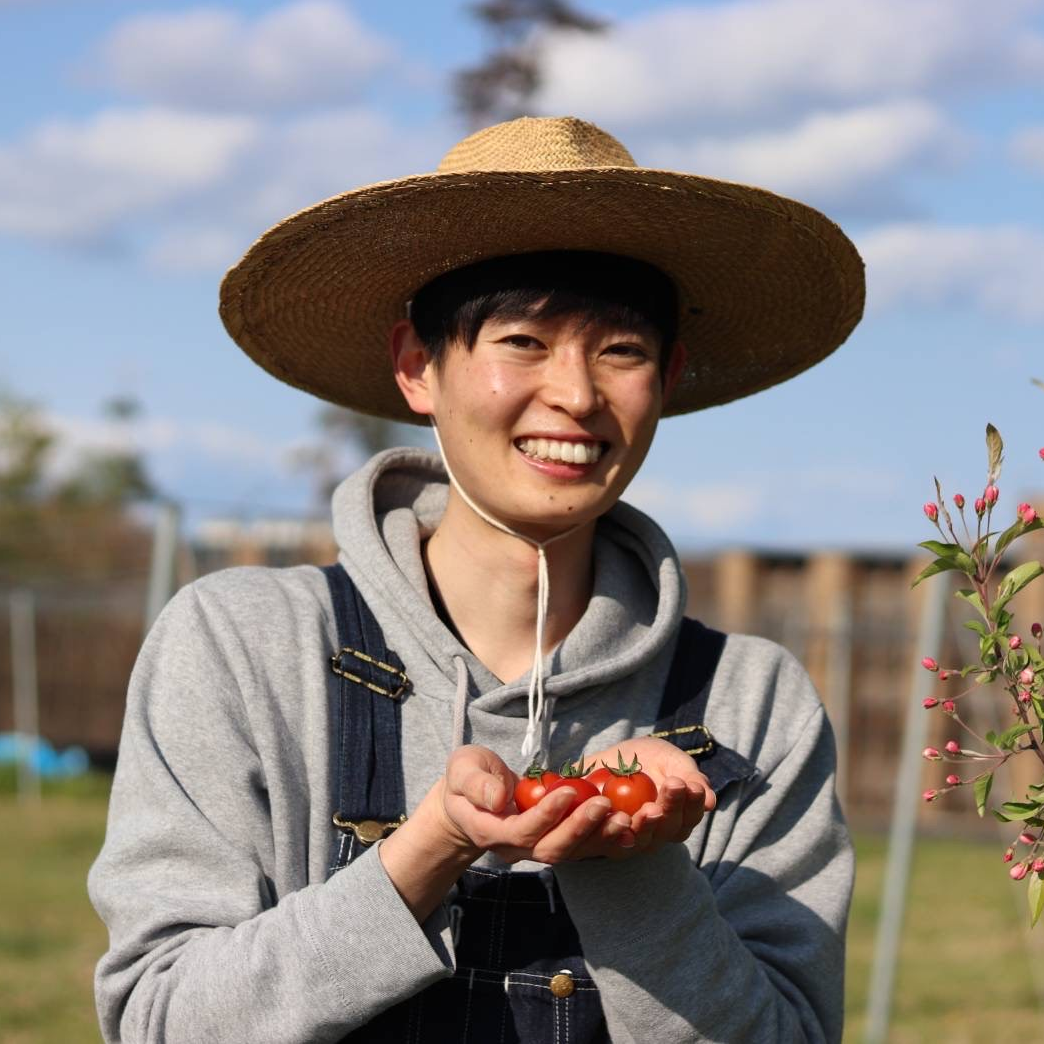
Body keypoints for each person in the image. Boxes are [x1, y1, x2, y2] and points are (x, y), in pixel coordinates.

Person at [89, 116, 865, 1043]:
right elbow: (161, 1019)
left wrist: (636, 869)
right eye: (523, 342)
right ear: (419, 368)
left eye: (621, 350)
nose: (576, 395)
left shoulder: (750, 704)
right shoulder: (243, 646)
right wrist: (424, 854)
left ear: (669, 378)